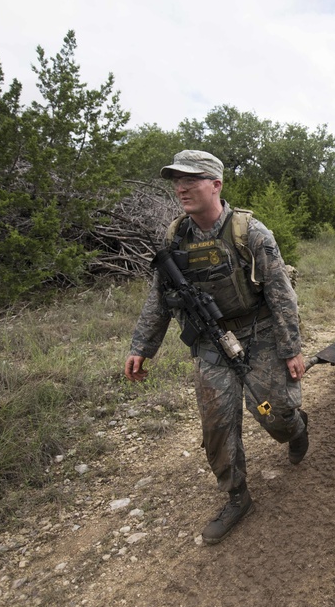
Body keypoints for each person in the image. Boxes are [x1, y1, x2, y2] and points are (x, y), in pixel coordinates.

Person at [124, 149, 309, 545]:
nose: (182, 187)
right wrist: (142, 346)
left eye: (191, 179)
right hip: (209, 343)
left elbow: (281, 295)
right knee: (217, 425)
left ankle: (295, 428)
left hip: (258, 336)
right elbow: (159, 298)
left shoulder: (250, 232)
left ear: (216, 184)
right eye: (177, 180)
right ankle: (236, 497)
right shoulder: (176, 237)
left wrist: (291, 348)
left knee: (274, 414)